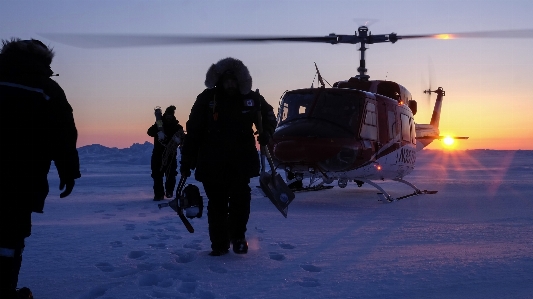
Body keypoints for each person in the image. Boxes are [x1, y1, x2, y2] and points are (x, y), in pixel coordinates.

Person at [0, 39, 81, 298]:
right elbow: (64, 134)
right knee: (10, 237)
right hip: (21, 180)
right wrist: (68, 171)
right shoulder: (46, 88)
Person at [180, 57, 277, 256]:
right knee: (217, 205)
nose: (230, 84)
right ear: (220, 81)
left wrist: (267, 131)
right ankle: (219, 244)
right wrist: (187, 160)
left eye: (234, 80)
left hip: (241, 163)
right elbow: (194, 130)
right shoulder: (207, 99)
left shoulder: (251, 99)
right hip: (211, 163)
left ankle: (238, 238)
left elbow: (269, 116)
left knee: (241, 202)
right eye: (227, 81)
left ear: (240, 80)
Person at [147, 105, 184, 201]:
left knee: (171, 174)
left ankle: (169, 191)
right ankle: (159, 195)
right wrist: (158, 132)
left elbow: (183, 139)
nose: (168, 117)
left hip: (171, 156)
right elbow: (150, 132)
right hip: (158, 155)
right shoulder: (159, 124)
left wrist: (178, 139)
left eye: (170, 115)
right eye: (167, 115)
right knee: (157, 175)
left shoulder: (177, 127)